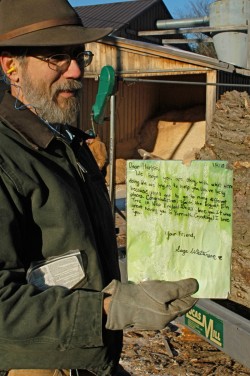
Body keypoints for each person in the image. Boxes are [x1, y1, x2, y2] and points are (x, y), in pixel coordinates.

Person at [0, 1, 199, 375]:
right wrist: (110, 309)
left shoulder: (70, 144)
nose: (76, 70)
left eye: (78, 54)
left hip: (88, 354)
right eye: (58, 57)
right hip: (32, 364)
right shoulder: (6, 158)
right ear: (12, 66)